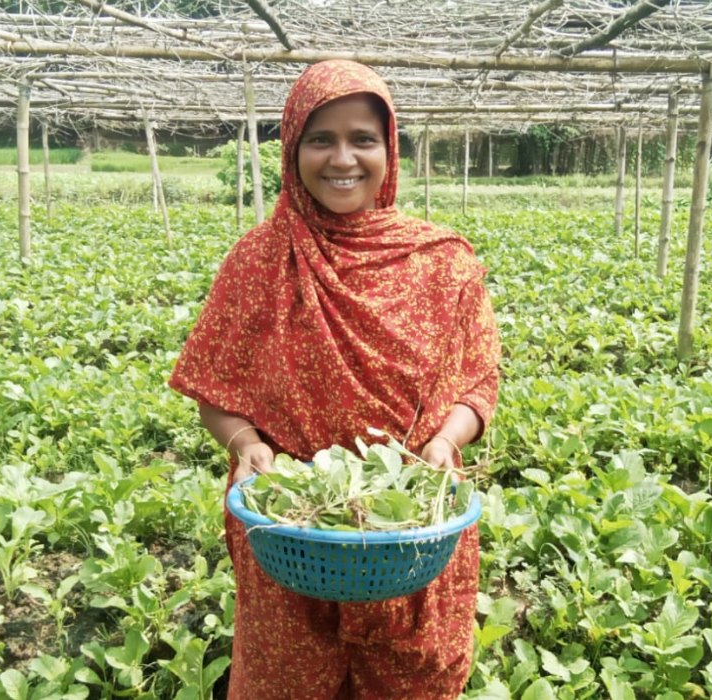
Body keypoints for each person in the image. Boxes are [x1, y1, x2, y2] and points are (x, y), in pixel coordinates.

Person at [169, 59, 501, 700]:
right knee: (288, 679)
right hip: (294, 528)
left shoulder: (442, 260)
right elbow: (216, 392)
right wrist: (246, 445)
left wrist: (443, 445)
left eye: (363, 139)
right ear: (292, 149)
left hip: (409, 528)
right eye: (320, 139)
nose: (342, 158)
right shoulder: (257, 259)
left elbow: (477, 383)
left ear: (389, 149)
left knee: (408, 677)